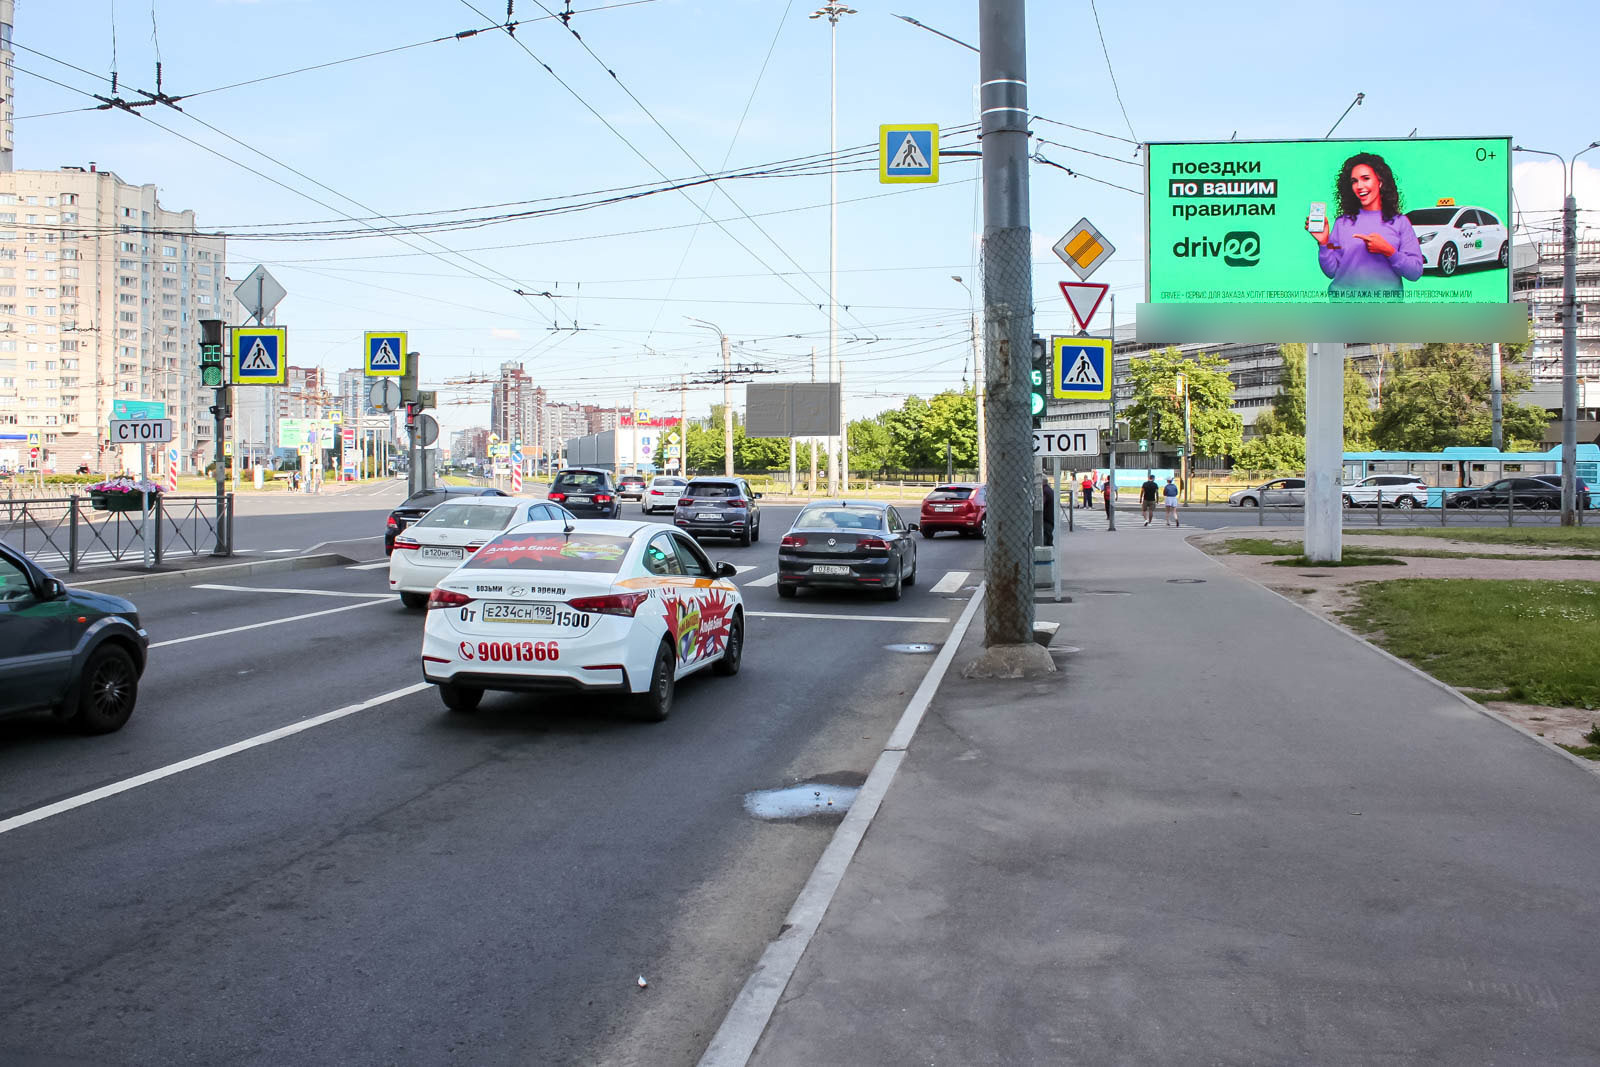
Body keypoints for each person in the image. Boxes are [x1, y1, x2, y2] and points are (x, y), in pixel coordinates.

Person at [1311, 152, 1424, 298]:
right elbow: (1331, 272)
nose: (1359, 186)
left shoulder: (1400, 222)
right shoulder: (1342, 223)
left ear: (1380, 182)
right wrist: (1323, 243)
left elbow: (1415, 272)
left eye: (1365, 179)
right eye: (1354, 181)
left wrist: (1388, 251)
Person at [1042, 474, 1056, 545]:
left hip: (1046, 520)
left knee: (1045, 541)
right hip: (1050, 519)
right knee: (1048, 540)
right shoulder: (1049, 490)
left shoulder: (1044, 491)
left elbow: (1042, 505)